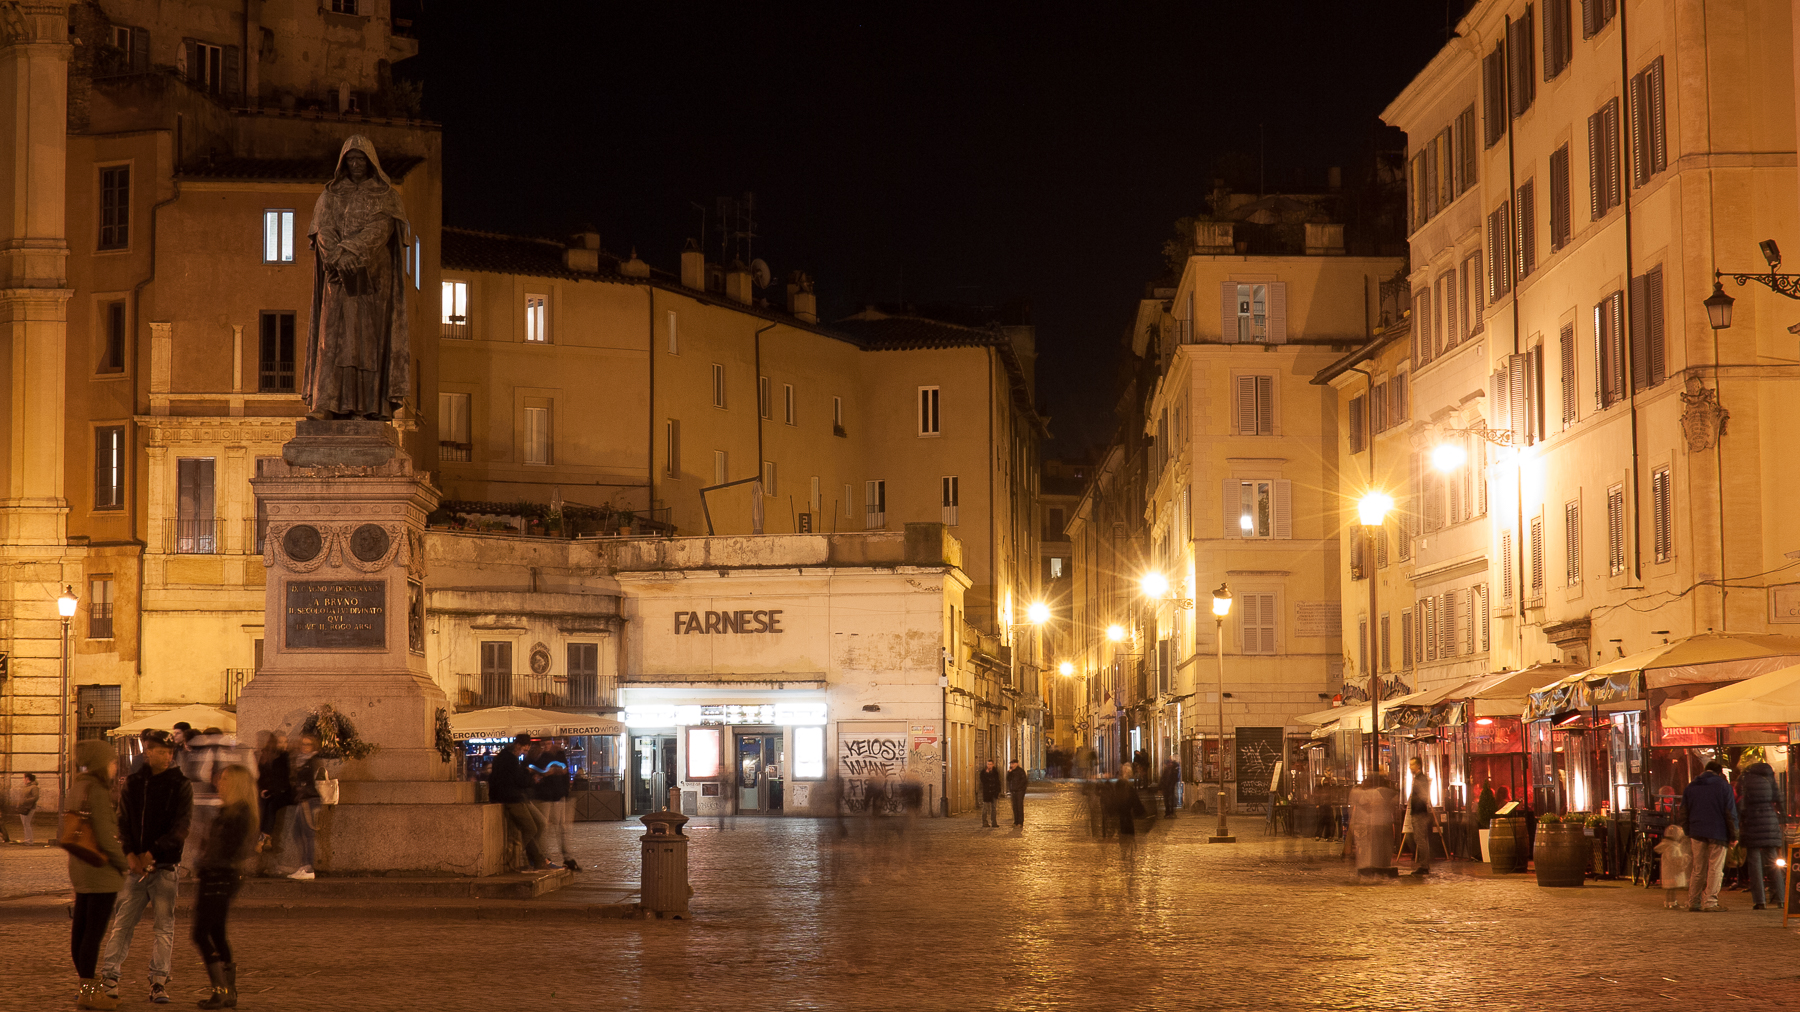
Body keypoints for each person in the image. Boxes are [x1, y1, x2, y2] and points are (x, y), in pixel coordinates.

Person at [306, 135, 412, 420]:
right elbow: (322, 229)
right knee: (331, 341)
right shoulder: (329, 196)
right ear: (343, 163)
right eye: (350, 159)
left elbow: (382, 228)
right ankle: (326, 404)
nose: (355, 164)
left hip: (373, 283)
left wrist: (351, 251)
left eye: (360, 159)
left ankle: (369, 406)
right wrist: (337, 257)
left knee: (367, 343)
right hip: (338, 280)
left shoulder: (387, 196)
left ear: (370, 162)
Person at [98, 731, 192, 1004]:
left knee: (164, 927)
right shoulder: (134, 784)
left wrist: (151, 853)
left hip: (163, 865)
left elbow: (181, 827)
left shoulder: (180, 784)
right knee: (123, 924)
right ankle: (110, 977)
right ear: (147, 751)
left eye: (169, 751)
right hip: (136, 866)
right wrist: (129, 853)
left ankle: (159, 981)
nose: (167, 756)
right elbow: (123, 820)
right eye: (160, 751)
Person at [68, 738, 130, 1010]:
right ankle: (90, 993)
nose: (115, 767)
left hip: (80, 865)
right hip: (101, 869)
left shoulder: (77, 785)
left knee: (80, 931)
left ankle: (86, 989)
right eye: (112, 762)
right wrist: (123, 863)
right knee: (93, 933)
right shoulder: (98, 790)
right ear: (102, 763)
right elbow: (106, 836)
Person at [192, 765, 258, 1009]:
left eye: (226, 779)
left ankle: (221, 990)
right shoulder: (227, 811)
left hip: (220, 877)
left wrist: (208, 856)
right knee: (217, 933)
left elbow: (231, 849)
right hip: (216, 875)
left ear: (238, 784)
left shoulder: (238, 814)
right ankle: (227, 992)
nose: (220, 782)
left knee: (200, 934)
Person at [1681, 759, 1739, 912]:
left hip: (1697, 832)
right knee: (1715, 868)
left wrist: (1688, 830)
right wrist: (1734, 835)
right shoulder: (1723, 787)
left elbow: (1683, 812)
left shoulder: (1691, 787)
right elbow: (1730, 813)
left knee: (1698, 868)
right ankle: (1710, 902)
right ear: (1720, 773)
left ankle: (1693, 901)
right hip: (1718, 832)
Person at [491, 734, 549, 871]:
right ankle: (517, 855)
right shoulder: (509, 759)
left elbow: (516, 777)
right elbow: (517, 780)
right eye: (524, 750)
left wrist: (525, 774)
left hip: (518, 796)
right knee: (531, 828)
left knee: (539, 823)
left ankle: (536, 858)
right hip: (512, 798)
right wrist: (530, 778)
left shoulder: (511, 758)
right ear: (518, 745)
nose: (524, 753)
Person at [1737, 759, 1786, 910]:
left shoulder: (1744, 778)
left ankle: (1760, 901)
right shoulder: (1770, 777)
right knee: (1774, 861)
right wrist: (1782, 819)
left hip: (1752, 820)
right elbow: (1779, 799)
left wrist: (1740, 819)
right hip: (1770, 820)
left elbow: (1741, 799)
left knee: (1754, 863)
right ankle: (1781, 898)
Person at [532, 755, 579, 872]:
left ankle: (562, 858)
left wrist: (564, 793)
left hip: (557, 797)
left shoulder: (560, 756)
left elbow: (565, 777)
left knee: (560, 828)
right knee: (544, 827)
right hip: (545, 797)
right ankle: (543, 858)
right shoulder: (540, 757)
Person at [286, 733, 323, 880]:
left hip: (310, 800)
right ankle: (303, 865)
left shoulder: (313, 761)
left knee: (308, 835)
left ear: (313, 746)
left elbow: (312, 782)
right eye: (302, 744)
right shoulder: (300, 760)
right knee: (297, 833)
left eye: (307, 744)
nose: (304, 747)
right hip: (302, 800)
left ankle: (308, 868)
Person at [254, 731, 294, 866]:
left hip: (285, 792)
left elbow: (284, 779)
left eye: (285, 741)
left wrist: (270, 790)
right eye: (280, 742)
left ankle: (262, 839)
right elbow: (263, 776)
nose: (283, 745)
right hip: (272, 790)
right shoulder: (267, 756)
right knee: (263, 803)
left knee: (271, 805)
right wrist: (262, 790)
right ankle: (266, 839)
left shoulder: (285, 757)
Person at [1349, 771, 1400, 877]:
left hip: (1373, 823)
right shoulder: (1383, 792)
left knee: (1370, 849)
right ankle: (1379, 868)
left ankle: (1372, 869)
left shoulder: (1361, 792)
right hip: (1381, 823)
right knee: (1378, 849)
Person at [1406, 757, 1437, 876]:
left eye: (1412, 765)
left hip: (1419, 813)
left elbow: (1423, 796)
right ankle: (1424, 864)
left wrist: (1417, 805)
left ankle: (1424, 866)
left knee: (1420, 840)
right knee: (1418, 839)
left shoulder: (1421, 779)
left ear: (1418, 765)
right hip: (1418, 812)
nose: (1410, 767)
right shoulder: (1418, 778)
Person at [1655, 825, 1691, 909]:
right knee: (1672, 889)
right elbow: (1674, 859)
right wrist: (1684, 858)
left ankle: (1668, 902)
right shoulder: (1672, 847)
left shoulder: (1668, 846)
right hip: (1673, 872)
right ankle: (1672, 902)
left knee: (1670, 889)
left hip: (1668, 871)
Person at [977, 759, 1001, 829]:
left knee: (994, 808)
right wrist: (987, 774)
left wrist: (998, 791)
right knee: (985, 808)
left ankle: (994, 822)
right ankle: (985, 822)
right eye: (988, 764)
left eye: (990, 764)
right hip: (987, 793)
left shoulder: (996, 772)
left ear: (993, 765)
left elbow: (998, 782)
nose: (989, 766)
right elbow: (983, 781)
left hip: (994, 792)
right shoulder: (983, 772)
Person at [17, 771, 39, 843]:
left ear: (27, 778)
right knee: (25, 824)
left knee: (27, 824)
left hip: (29, 808)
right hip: (23, 807)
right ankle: (27, 839)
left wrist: (25, 801)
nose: (23, 780)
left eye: (23, 778)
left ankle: (29, 840)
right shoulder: (26, 787)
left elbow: (35, 797)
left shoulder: (34, 787)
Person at [1006, 759, 1028, 828]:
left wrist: (1019, 788)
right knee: (1014, 807)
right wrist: (1009, 772)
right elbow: (1008, 779)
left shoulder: (1020, 771)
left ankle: (1020, 822)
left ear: (1017, 764)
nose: (1012, 765)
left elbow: (1024, 781)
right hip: (1013, 791)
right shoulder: (1011, 771)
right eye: (1011, 764)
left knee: (1019, 806)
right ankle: (1016, 822)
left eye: (1013, 764)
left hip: (1019, 791)